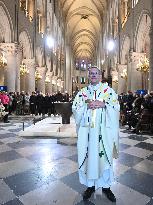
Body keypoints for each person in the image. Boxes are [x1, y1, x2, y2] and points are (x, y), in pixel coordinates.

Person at [72, 66, 120, 202]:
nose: (93, 76)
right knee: (89, 158)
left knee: (104, 158)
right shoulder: (82, 92)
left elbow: (116, 107)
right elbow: (75, 108)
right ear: (88, 76)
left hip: (104, 133)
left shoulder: (108, 91)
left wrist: (103, 104)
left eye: (96, 73)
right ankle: (90, 186)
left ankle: (106, 187)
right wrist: (86, 106)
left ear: (100, 76)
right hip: (87, 134)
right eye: (91, 74)